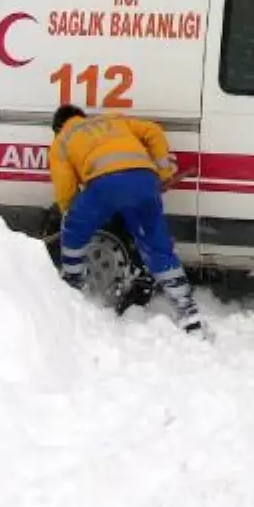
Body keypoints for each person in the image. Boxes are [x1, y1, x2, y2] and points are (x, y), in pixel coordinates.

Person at [47, 104, 206, 337]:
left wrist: (75, 214)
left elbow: (65, 189)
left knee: (73, 231)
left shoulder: (62, 139)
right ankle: (188, 312)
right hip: (144, 180)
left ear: (58, 127)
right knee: (157, 246)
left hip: (104, 185)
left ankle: (73, 287)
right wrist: (163, 169)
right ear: (81, 117)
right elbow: (152, 131)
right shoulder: (114, 119)